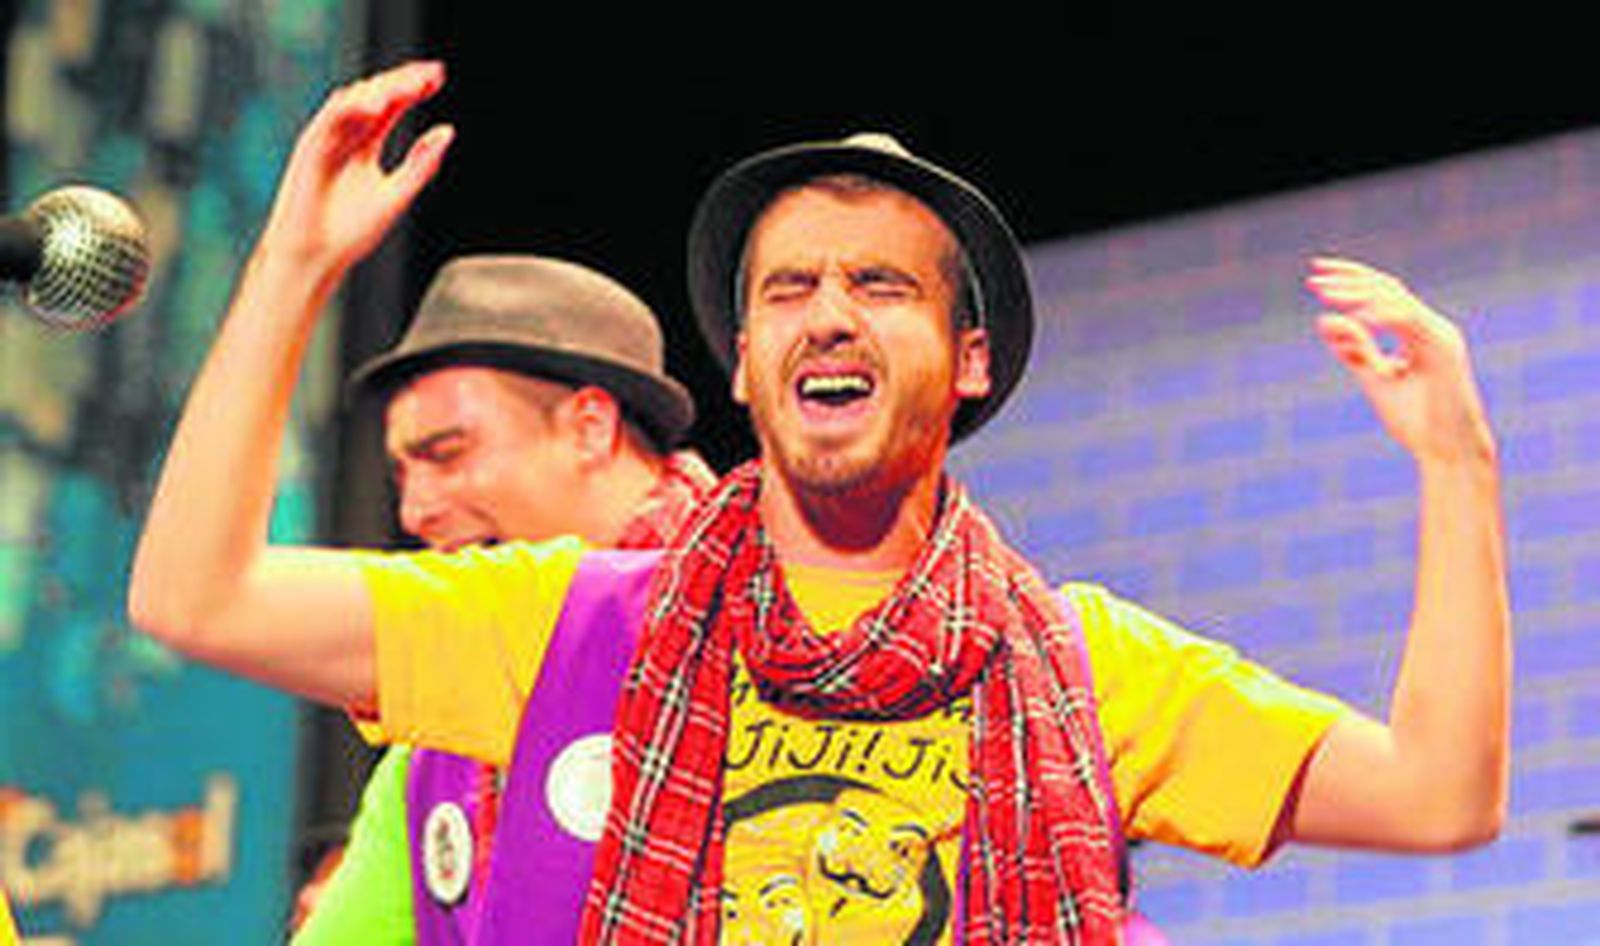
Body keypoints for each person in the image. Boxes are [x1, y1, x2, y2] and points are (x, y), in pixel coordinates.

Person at [128, 60, 1509, 945]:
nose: (830, 314)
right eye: (789, 288)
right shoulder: (571, 625)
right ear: (743, 362)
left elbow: (1439, 797)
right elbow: (198, 595)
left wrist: (1458, 468)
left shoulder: (1089, 670)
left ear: (969, 361)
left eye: (881, 285)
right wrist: (291, 269)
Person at [288, 253, 716, 945]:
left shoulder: (768, 628)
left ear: (589, 427)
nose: (415, 512)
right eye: (401, 474)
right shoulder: (435, 747)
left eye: (447, 453)